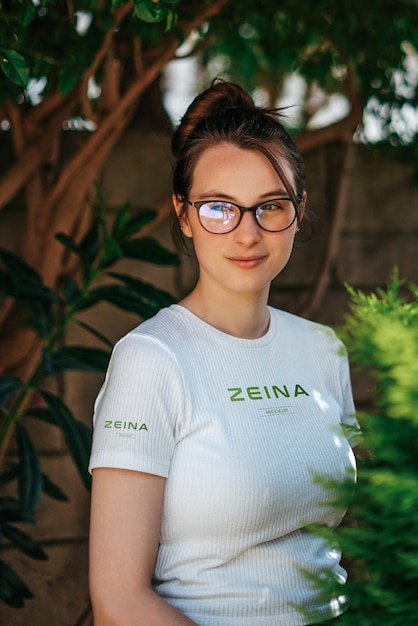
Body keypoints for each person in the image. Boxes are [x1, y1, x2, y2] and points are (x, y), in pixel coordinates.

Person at [88, 79, 360, 626]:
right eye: (218, 208)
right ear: (184, 215)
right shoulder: (151, 360)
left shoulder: (323, 350)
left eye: (270, 206)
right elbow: (118, 601)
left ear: (298, 212)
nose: (247, 233)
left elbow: (324, 542)